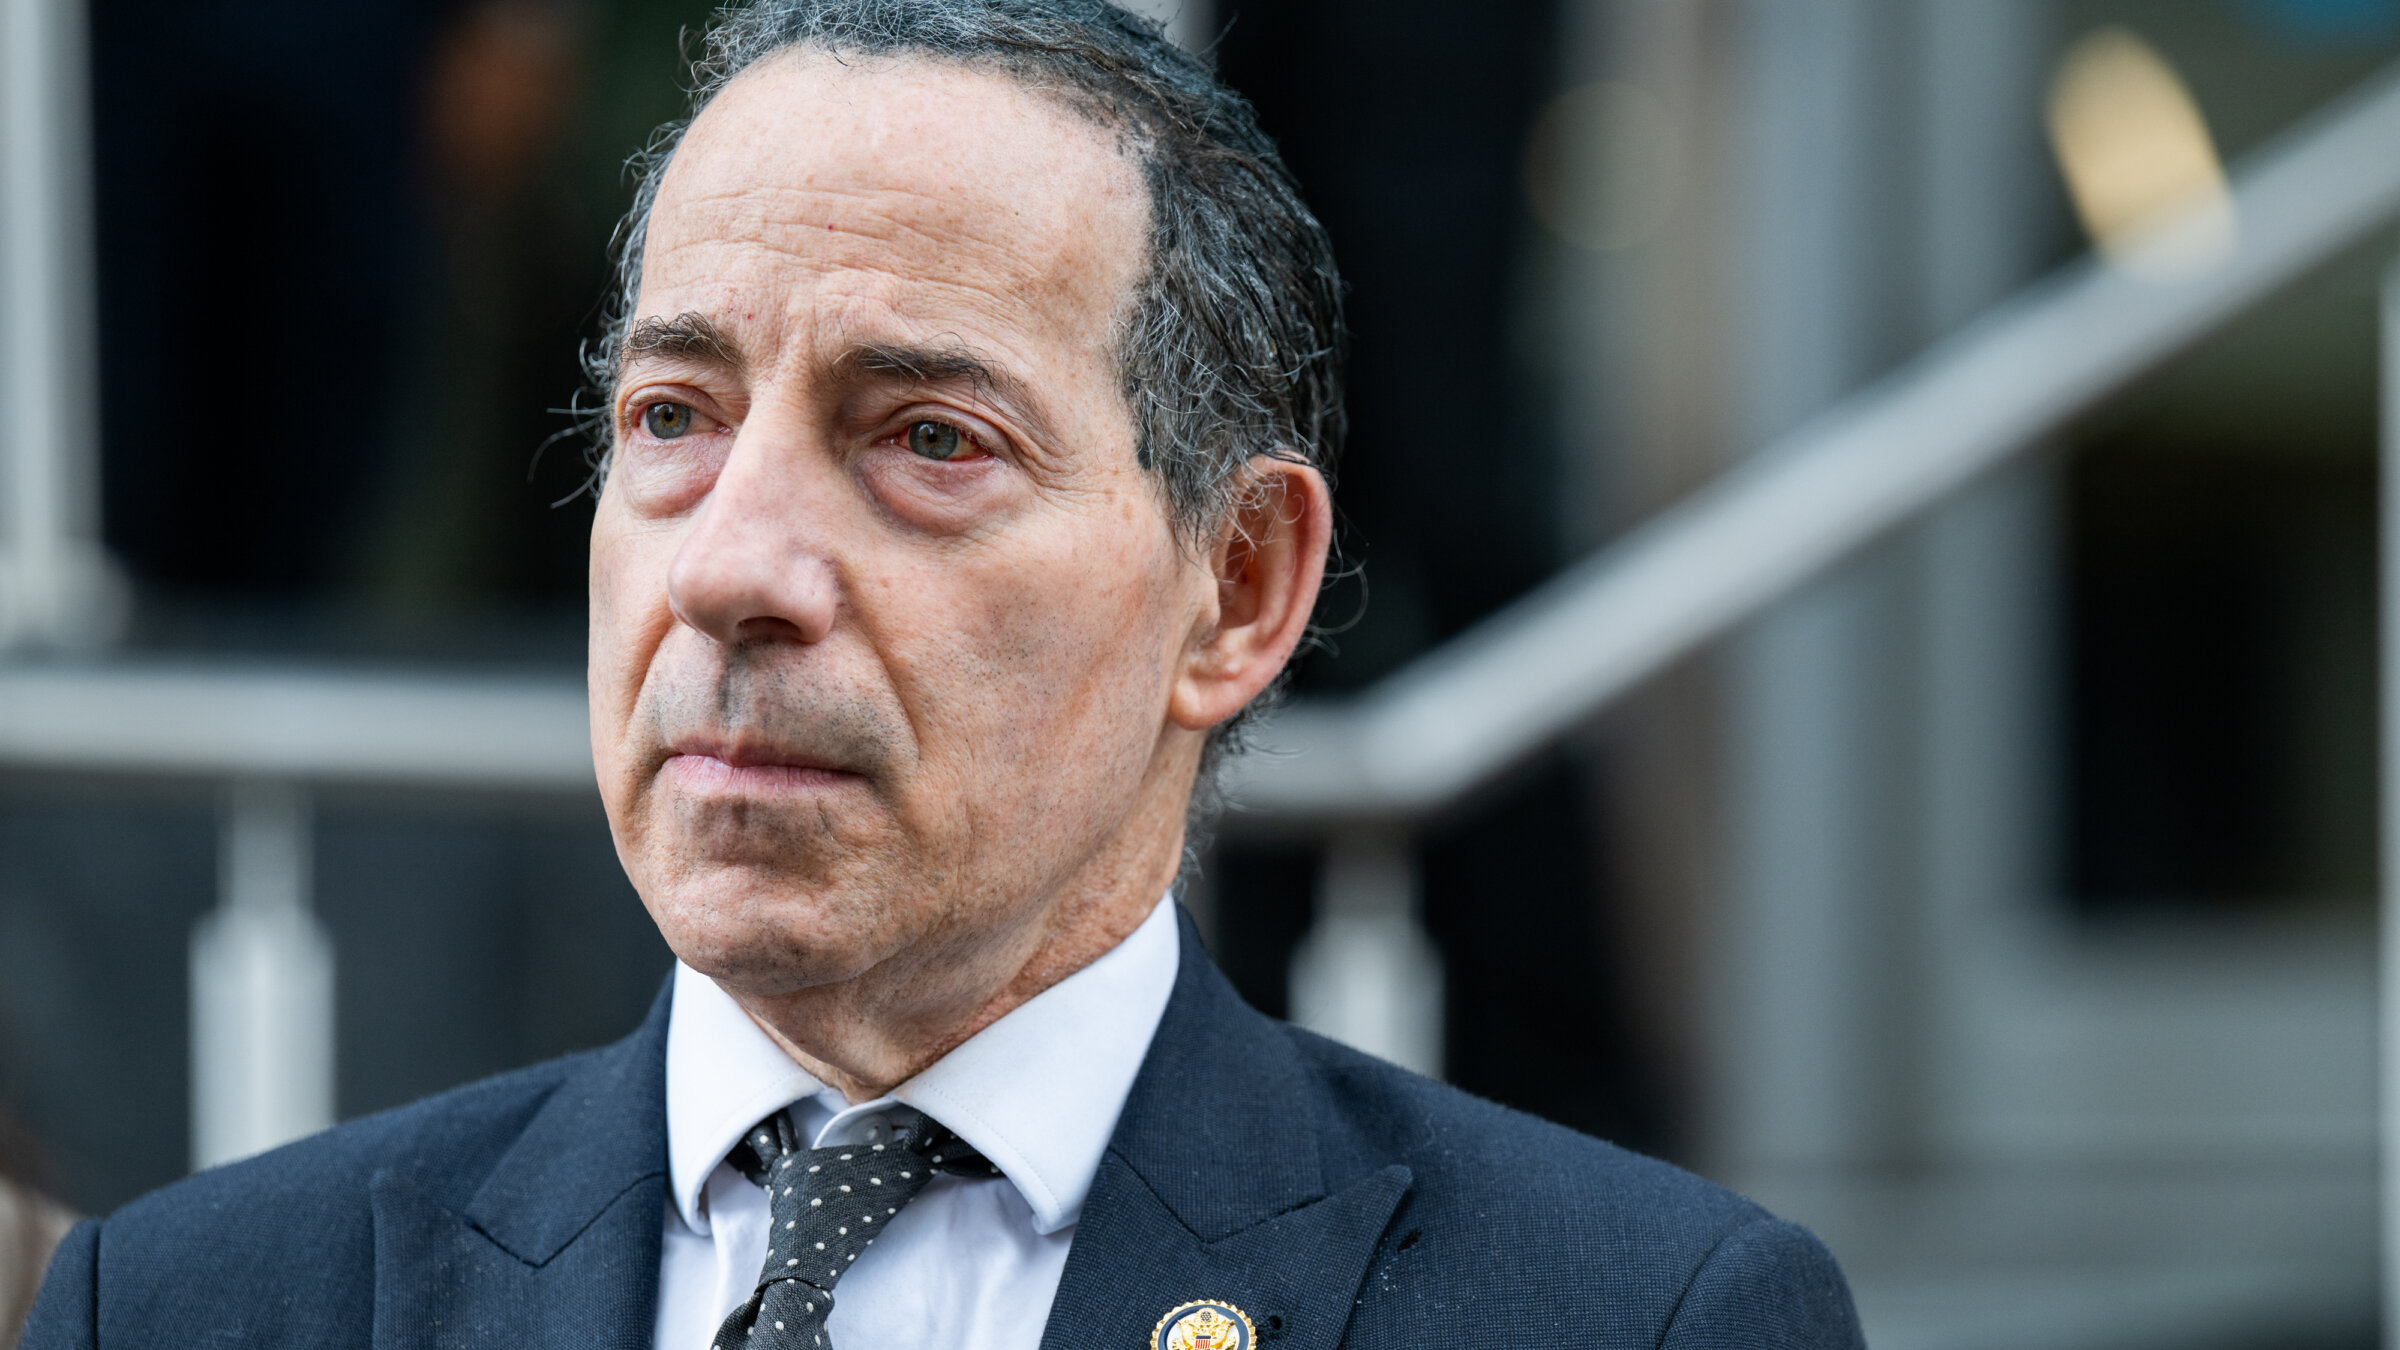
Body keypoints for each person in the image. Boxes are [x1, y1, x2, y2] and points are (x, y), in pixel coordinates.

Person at [27, 2, 1863, 1346]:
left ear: (1236, 586)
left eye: (926, 440)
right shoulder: (191, 1303)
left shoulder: (1636, 1318)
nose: (733, 566)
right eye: (672, 418)